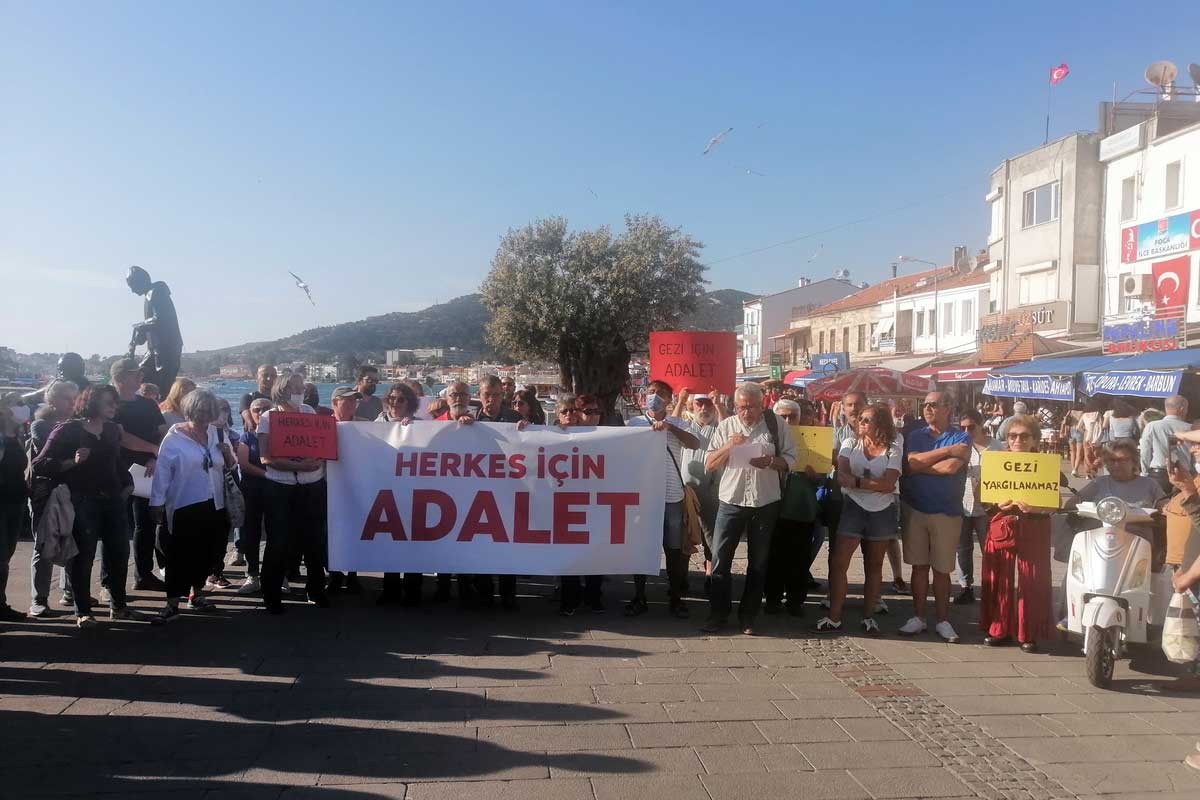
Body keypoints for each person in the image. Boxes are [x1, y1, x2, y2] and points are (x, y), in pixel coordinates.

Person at [32, 385, 147, 626]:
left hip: (113, 498)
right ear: (92, 402)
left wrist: (127, 483)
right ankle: (83, 610)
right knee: (83, 556)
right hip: (82, 499)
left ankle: (119, 606)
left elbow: (116, 461)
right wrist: (71, 462)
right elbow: (40, 464)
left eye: (115, 403)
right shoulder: (68, 429)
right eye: (108, 403)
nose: (113, 407)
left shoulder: (113, 430)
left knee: (119, 552)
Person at [703, 382, 796, 635]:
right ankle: (718, 614)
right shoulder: (726, 426)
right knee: (720, 560)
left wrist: (771, 461)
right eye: (742, 407)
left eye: (752, 407)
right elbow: (710, 464)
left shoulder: (777, 425)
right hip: (731, 501)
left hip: (765, 501)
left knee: (758, 563)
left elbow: (791, 460)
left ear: (762, 404)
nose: (747, 412)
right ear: (735, 406)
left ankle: (748, 616)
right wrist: (730, 446)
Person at [813, 403, 903, 635]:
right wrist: (869, 484)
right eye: (860, 418)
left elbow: (889, 484)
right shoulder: (850, 443)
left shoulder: (893, 447)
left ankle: (868, 616)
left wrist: (859, 483)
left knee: (874, 565)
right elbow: (842, 474)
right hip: (853, 507)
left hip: (882, 511)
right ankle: (834, 616)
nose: (861, 422)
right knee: (839, 562)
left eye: (867, 419)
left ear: (880, 423)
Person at [148, 388, 235, 622]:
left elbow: (231, 466)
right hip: (185, 503)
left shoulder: (218, 434)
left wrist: (227, 454)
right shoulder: (175, 437)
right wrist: (156, 502)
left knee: (208, 552)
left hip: (214, 503)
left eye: (210, 410)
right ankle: (172, 603)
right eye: (200, 409)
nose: (205, 414)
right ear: (189, 410)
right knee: (179, 554)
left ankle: (196, 595)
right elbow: (162, 473)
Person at [979, 414, 1057, 652]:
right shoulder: (995, 463)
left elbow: (1054, 503)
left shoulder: (1045, 466)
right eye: (1013, 436)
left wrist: (1036, 507)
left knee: (1031, 580)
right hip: (1002, 525)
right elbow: (983, 495)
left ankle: (1028, 632)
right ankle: (999, 628)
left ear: (1035, 439)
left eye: (1024, 436)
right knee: (1000, 578)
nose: (1018, 440)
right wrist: (995, 505)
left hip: (1034, 526)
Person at [626, 380, 701, 618]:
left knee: (674, 550)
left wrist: (670, 427)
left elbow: (694, 443)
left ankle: (676, 597)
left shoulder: (678, 423)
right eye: (651, 393)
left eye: (660, 394)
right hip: (644, 497)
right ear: (643, 397)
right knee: (642, 549)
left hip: (672, 497)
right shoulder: (634, 424)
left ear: (670, 399)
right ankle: (639, 596)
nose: (655, 397)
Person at [900, 391, 970, 643]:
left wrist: (922, 464)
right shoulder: (916, 435)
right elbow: (911, 463)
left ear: (948, 408)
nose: (927, 409)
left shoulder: (962, 436)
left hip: (947, 511)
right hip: (916, 507)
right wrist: (948, 451)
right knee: (918, 567)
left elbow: (951, 468)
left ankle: (942, 620)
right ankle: (918, 617)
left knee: (942, 570)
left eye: (933, 405)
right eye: (925, 405)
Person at [257, 380, 329, 614]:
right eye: (293, 389)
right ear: (281, 391)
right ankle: (272, 595)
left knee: (314, 540)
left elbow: (321, 444)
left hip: (311, 485)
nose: (299, 393)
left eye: (301, 389)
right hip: (281, 486)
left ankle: (316, 590)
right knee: (278, 542)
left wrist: (316, 462)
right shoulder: (268, 418)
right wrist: (293, 466)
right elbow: (265, 457)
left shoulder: (309, 412)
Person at [464, 375, 523, 609]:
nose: (491, 399)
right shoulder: (470, 419)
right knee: (482, 546)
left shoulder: (515, 418)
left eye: (496, 395)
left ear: (503, 396)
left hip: (508, 494)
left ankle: (509, 594)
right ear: (480, 395)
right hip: (478, 495)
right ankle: (485, 593)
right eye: (487, 394)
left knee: (507, 546)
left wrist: (528, 430)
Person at [110, 358, 168, 593]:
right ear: (121, 377)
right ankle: (111, 581)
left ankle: (143, 574)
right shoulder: (111, 405)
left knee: (145, 524)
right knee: (117, 527)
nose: (140, 378)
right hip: (117, 471)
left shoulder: (148, 404)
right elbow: (122, 438)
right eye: (135, 374)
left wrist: (156, 456)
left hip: (147, 470)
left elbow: (163, 432)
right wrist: (153, 450)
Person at [27, 379, 79, 616]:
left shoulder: (72, 424)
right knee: (45, 545)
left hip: (68, 489)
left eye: (74, 398)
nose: (72, 403)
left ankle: (70, 591)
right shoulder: (42, 425)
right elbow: (50, 458)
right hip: (46, 491)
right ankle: (39, 599)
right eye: (67, 398)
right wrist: (73, 460)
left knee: (72, 542)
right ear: (53, 401)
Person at [765, 399, 821, 618]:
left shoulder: (812, 440)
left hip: (802, 509)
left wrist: (815, 476)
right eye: (783, 416)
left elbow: (823, 478)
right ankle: (772, 599)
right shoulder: (769, 438)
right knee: (773, 557)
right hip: (773, 507)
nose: (787, 420)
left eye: (792, 416)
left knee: (799, 559)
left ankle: (796, 601)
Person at [555, 395, 606, 615]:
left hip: (596, 502)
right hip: (564, 503)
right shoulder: (553, 435)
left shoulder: (606, 436)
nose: (569, 415)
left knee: (595, 551)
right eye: (565, 411)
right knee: (569, 554)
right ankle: (570, 599)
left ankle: (594, 597)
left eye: (572, 411)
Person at [954, 409, 1004, 605]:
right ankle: (965, 587)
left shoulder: (997, 447)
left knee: (989, 549)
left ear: (981, 424)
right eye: (963, 427)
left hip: (988, 506)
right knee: (962, 548)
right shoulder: (959, 446)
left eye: (971, 427)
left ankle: (992, 586)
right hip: (963, 503)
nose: (966, 431)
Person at [678, 389, 723, 592]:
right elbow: (672, 421)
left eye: (708, 404)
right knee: (684, 534)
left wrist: (719, 404)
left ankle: (711, 574)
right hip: (686, 489)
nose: (704, 408)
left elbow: (731, 428)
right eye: (699, 404)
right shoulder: (685, 427)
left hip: (712, 490)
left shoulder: (719, 427)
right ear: (692, 406)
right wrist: (680, 400)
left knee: (711, 536)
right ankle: (681, 577)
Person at [234, 397, 273, 595]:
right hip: (252, 491)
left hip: (276, 491)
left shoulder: (281, 435)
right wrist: (268, 474)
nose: (261, 412)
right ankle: (253, 574)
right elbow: (244, 464)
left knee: (276, 533)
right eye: (256, 409)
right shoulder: (247, 437)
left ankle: (276, 575)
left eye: (266, 409)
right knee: (251, 533)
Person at [126, 265, 183, 391]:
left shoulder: (157, 292)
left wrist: (139, 327)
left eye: (133, 286)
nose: (132, 291)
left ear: (140, 281)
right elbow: (152, 325)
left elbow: (161, 318)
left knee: (163, 382)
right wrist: (140, 335)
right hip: (154, 349)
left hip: (166, 348)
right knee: (139, 375)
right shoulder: (149, 295)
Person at [1074, 439, 1166, 508]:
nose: (1116, 465)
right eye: (1112, 460)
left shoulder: (1149, 484)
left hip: (1138, 533)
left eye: (1122, 460)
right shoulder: (1098, 483)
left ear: (1134, 461)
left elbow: (1167, 510)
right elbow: (1072, 504)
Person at [0, 404, 28, 620]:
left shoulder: (17, 435)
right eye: (18, 404)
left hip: (16, 500)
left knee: (6, 555)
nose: (23, 408)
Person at [1140, 395, 1192, 493]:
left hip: (1158, 475)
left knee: (1157, 506)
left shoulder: (1152, 426)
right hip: (1184, 476)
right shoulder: (1190, 429)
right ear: (1182, 409)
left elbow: (1145, 452)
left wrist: (1145, 473)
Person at [239, 365, 277, 430]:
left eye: (273, 376)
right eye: (265, 375)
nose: (269, 378)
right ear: (256, 377)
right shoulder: (248, 398)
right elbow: (248, 419)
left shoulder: (281, 400)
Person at [1076, 397, 1105, 477]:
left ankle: (1087, 473)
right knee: (1096, 455)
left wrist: (1085, 431)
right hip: (1096, 437)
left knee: (1087, 455)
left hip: (1087, 436)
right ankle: (1094, 470)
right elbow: (1101, 426)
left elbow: (1078, 427)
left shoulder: (1084, 415)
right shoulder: (1097, 414)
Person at [1062, 405, 1084, 477]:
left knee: (1072, 452)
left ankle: (1073, 469)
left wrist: (1065, 431)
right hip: (1080, 431)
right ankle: (1075, 469)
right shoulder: (1083, 413)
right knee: (1079, 453)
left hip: (1071, 430)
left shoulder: (1070, 412)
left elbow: (1066, 422)